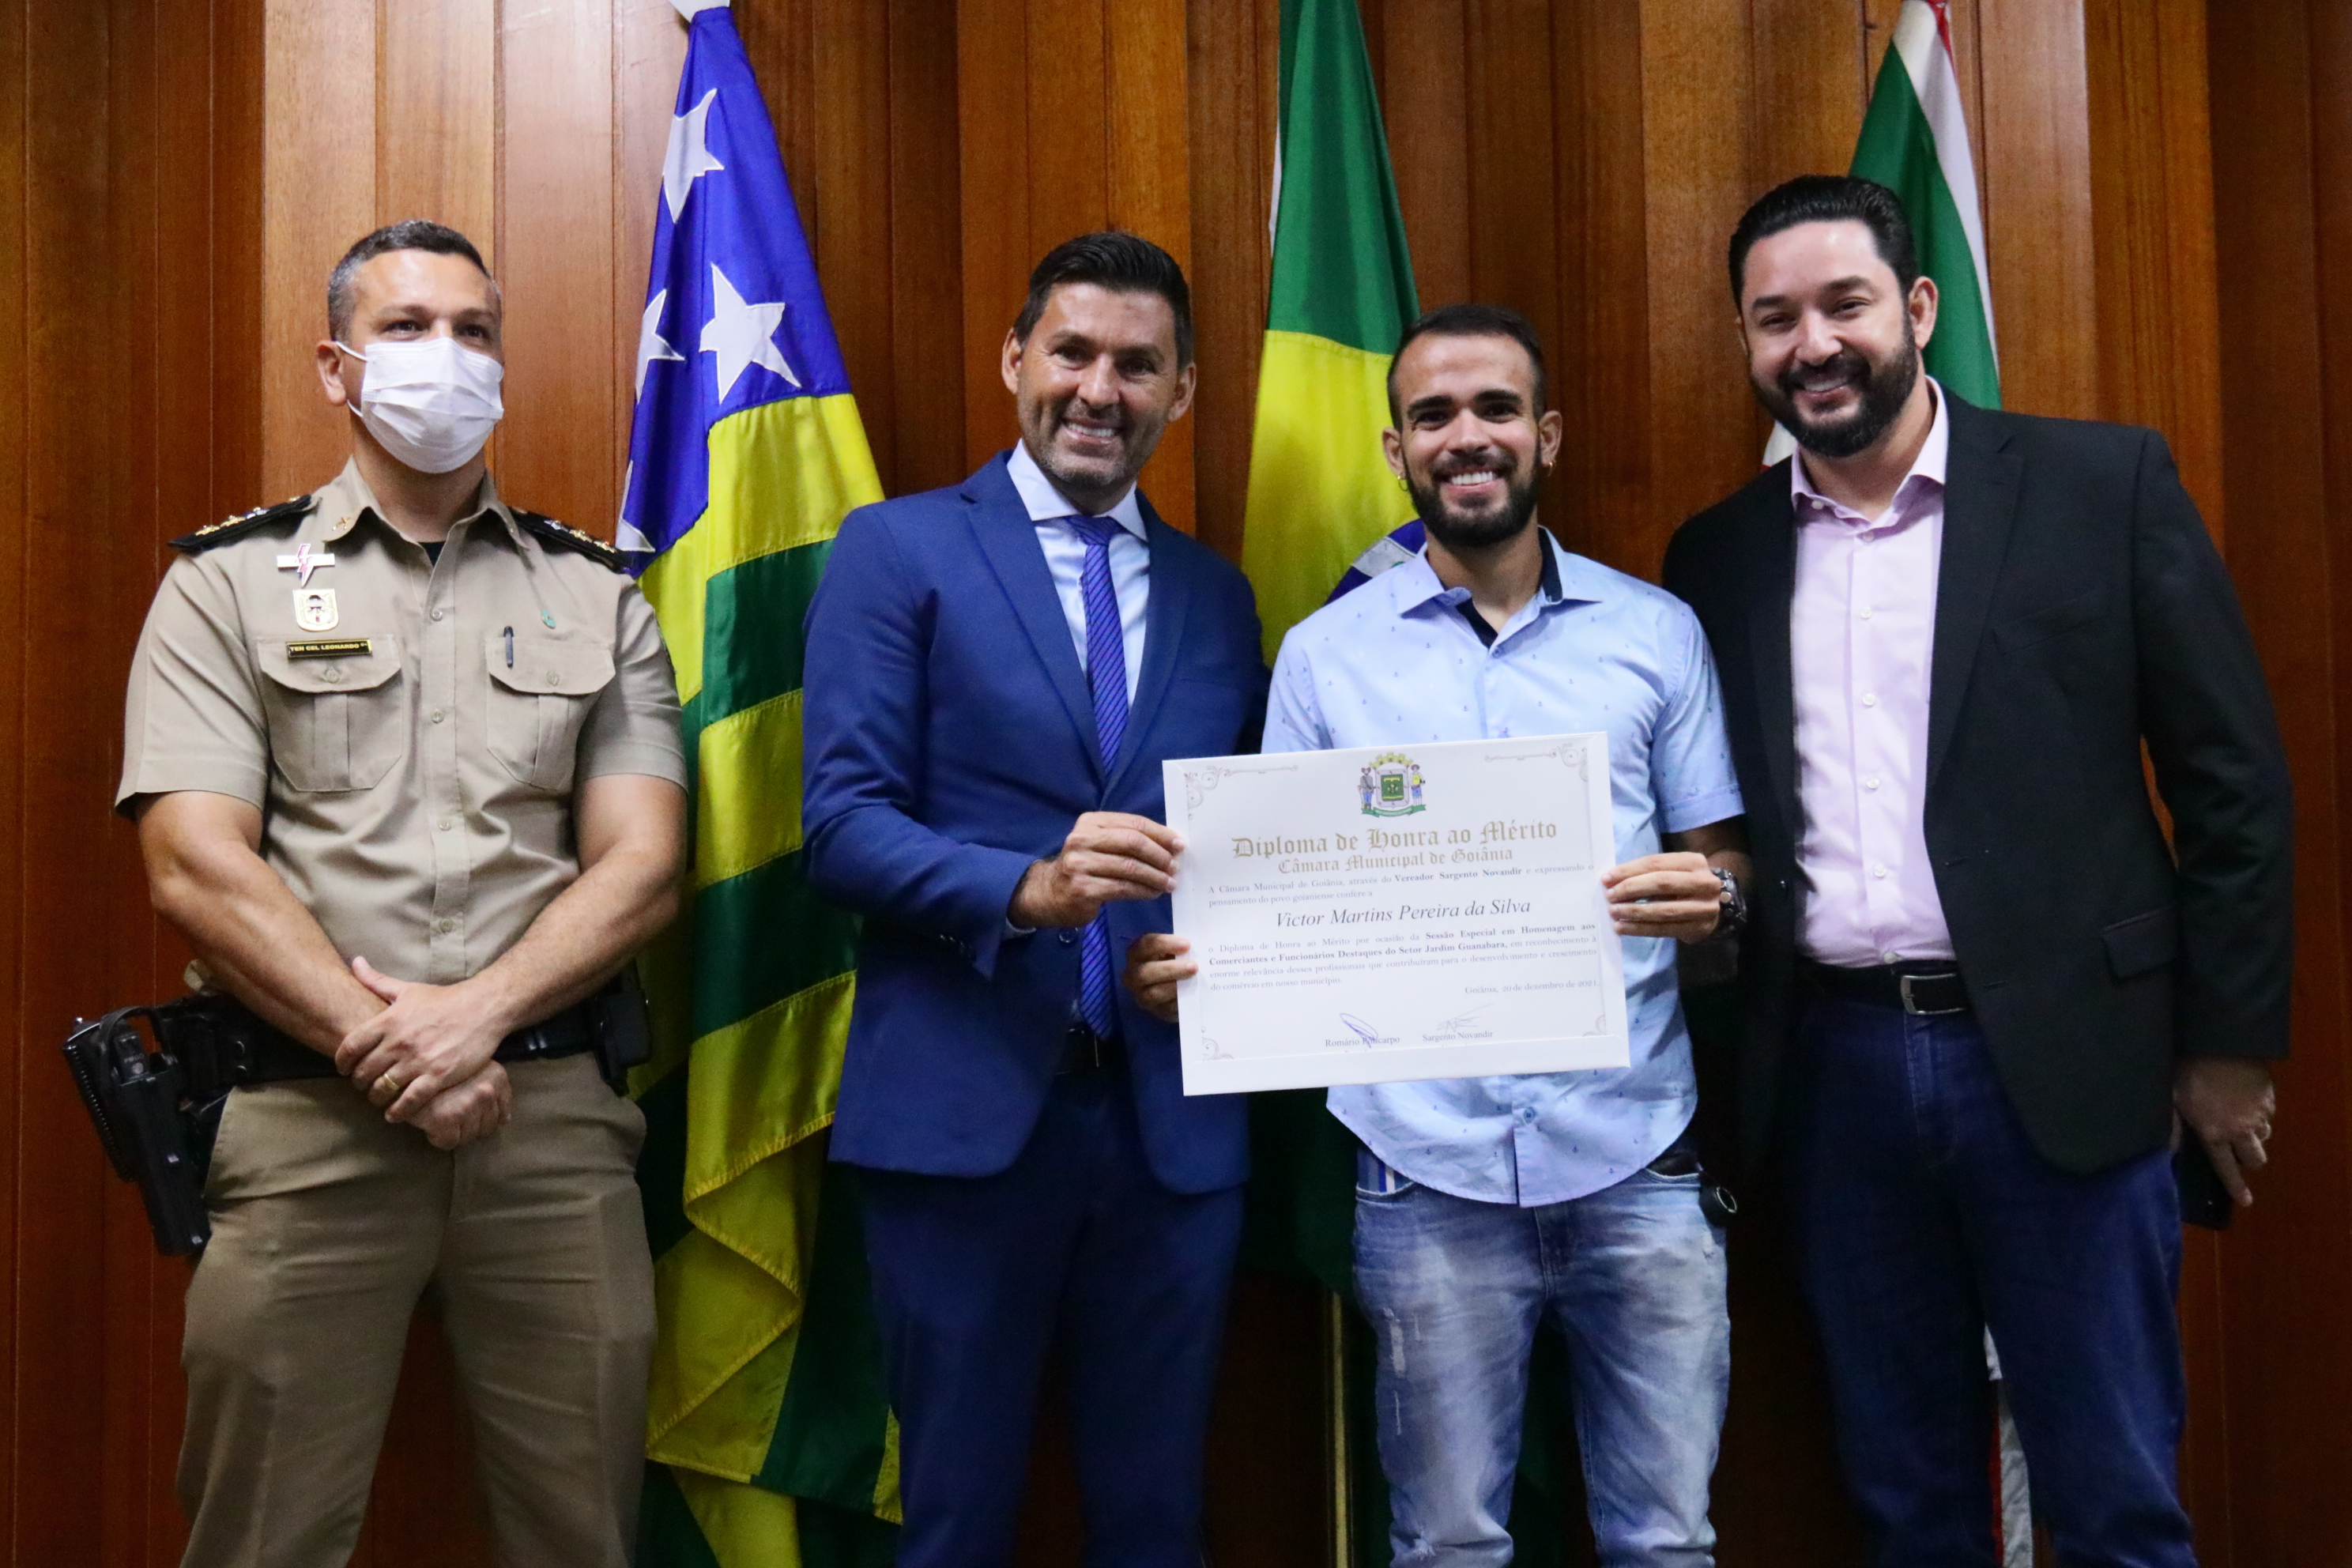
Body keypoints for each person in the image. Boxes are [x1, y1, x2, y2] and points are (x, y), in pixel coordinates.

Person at [1663, 175, 2293, 1567]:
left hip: (2071, 1064)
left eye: (1844, 304)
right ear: (1747, 342)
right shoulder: (1716, 555)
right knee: (1906, 1502)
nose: (1813, 345)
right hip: (1831, 1081)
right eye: (1775, 319)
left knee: (2116, 1498)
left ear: (1919, 306)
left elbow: (2233, 788)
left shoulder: (2100, 488)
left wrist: (2227, 1048)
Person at [1131, 303, 1748, 1568]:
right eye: (1434, 416)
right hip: (1424, 1172)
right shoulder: (1324, 659)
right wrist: (1205, 974)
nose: (1467, 437)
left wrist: (1717, 899)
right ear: (1396, 449)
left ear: (1546, 435)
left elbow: (1723, 859)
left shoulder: (1655, 633)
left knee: (1668, 1543)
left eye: (1496, 409)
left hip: (1636, 1152)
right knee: (1448, 1547)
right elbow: (1277, 898)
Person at [119, 219, 688, 1567]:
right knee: (264, 1538)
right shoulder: (227, 585)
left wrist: (471, 1019)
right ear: (337, 367)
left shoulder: (596, 596)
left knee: (582, 1534)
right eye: (408, 328)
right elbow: (193, 862)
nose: (449, 355)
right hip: (305, 1128)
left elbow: (644, 863)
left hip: (549, 1132)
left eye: (474, 331)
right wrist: (394, 1046)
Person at [800, 231, 1267, 1568]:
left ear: (1183, 390)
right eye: (1072, 352)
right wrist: (1028, 888)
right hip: (959, 1124)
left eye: (1138, 364)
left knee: (1158, 1520)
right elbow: (840, 827)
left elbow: (1244, 850)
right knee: (955, 1522)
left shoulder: (1218, 597)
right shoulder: (897, 550)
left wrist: (1213, 953)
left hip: (1172, 1136)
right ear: (1016, 359)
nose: (1099, 390)